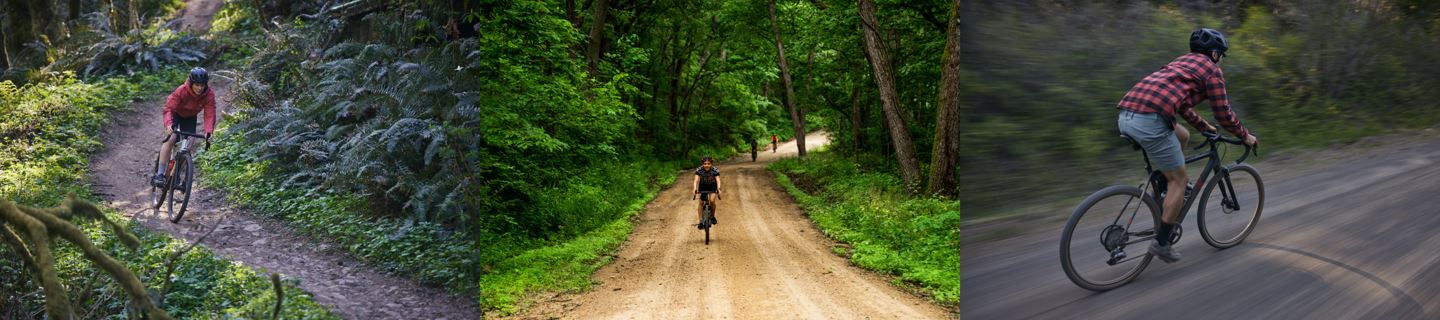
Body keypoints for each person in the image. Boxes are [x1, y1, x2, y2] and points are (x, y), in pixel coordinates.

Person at [1116, 28, 1258, 263]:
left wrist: (1204, 127)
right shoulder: (1212, 70)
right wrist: (1245, 136)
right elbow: (1223, 113)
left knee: (1181, 135)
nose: (1221, 60)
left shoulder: (1181, 62)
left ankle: (1163, 187)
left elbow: (1181, 107)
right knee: (1180, 180)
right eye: (1221, 54)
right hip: (1150, 120)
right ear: (1214, 54)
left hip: (1126, 116)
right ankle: (1161, 243)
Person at [152, 68, 217, 187]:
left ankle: (176, 174)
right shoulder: (181, 91)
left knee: (188, 145)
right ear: (192, 83)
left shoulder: (209, 94)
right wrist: (168, 124)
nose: (200, 88)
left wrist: (208, 132)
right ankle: (160, 174)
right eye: (197, 85)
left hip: (190, 117)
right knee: (171, 138)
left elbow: (210, 114)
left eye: (202, 85)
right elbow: (169, 109)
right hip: (175, 114)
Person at [692, 156, 721, 228]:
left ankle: (713, 217)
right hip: (703, 186)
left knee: (712, 201)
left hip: (712, 186)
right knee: (701, 203)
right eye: (705, 163)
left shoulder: (715, 170)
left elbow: (718, 180)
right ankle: (701, 221)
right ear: (702, 164)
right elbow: (696, 180)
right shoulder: (699, 170)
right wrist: (694, 188)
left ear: (711, 164)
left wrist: (718, 188)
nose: (706, 165)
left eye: (708, 163)